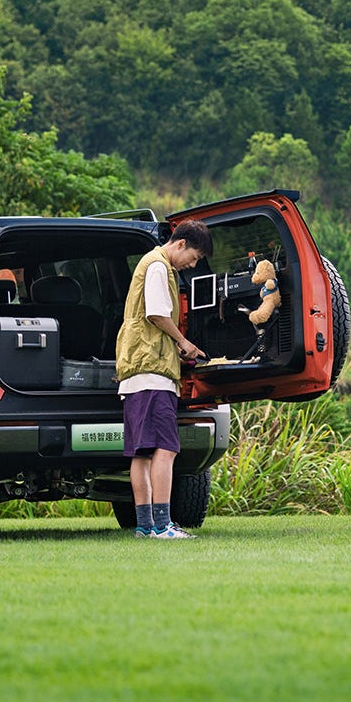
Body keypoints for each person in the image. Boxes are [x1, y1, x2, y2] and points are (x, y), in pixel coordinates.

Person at [115, 221, 213, 540]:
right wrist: (183, 343)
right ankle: (163, 525)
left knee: (141, 452)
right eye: (195, 258)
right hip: (153, 372)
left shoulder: (149, 264)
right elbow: (157, 314)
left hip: (135, 372)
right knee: (166, 448)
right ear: (181, 244)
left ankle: (145, 526)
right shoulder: (159, 266)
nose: (193, 265)